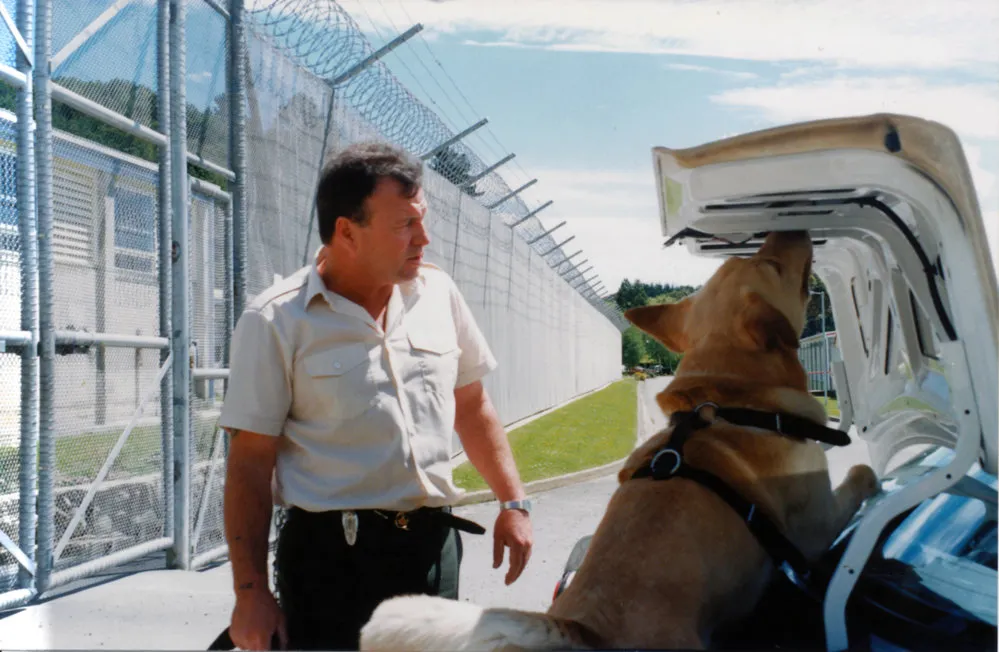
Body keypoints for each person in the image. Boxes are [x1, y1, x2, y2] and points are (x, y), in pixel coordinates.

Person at [218, 141, 534, 651]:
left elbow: (472, 405)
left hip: (432, 551)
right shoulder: (277, 320)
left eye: (422, 219)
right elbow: (250, 464)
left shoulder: (438, 294)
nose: (423, 238)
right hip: (332, 562)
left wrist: (514, 502)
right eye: (404, 224)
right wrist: (250, 592)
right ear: (347, 231)